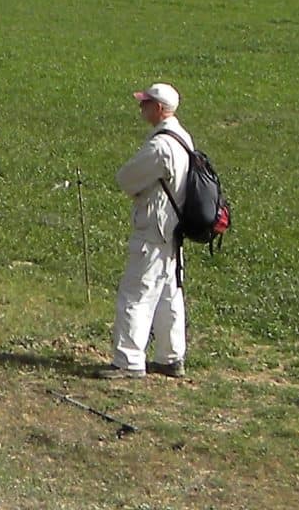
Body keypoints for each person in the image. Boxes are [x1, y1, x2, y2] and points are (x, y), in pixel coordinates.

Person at [104, 82, 193, 380]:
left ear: (158, 108)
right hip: (173, 229)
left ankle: (128, 360)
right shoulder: (182, 137)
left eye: (145, 103)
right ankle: (170, 356)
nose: (140, 107)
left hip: (153, 228)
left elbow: (126, 178)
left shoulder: (160, 146)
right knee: (169, 293)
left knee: (136, 292)